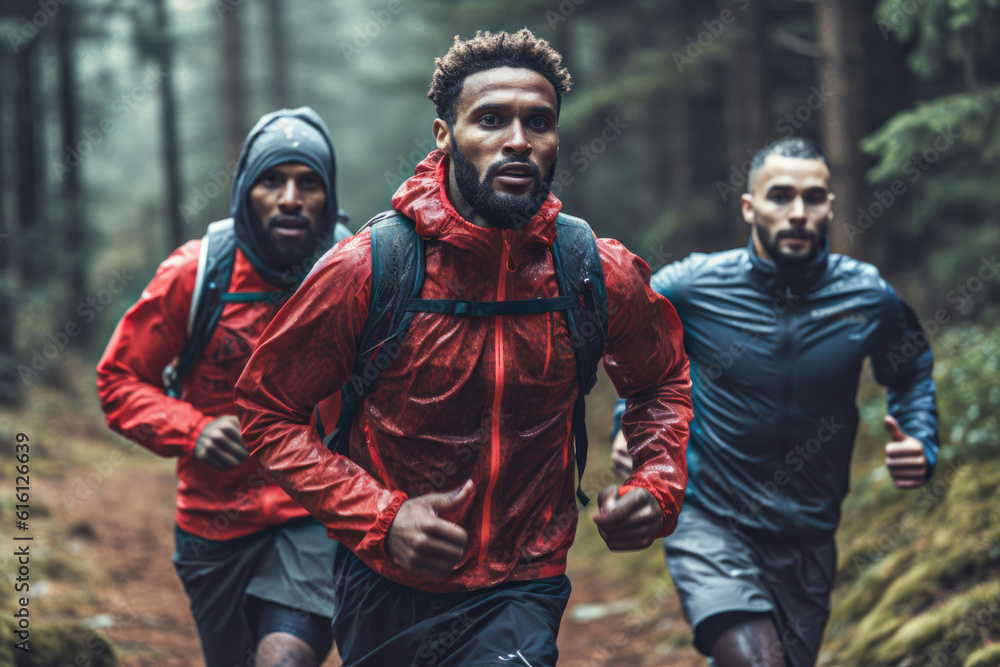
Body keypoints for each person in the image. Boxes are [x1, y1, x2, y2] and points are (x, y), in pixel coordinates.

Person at [235, 29, 691, 666]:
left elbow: (660, 380)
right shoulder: (372, 267)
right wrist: (381, 517)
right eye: (490, 120)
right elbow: (266, 411)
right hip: (386, 583)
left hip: (524, 582)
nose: (518, 141)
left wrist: (657, 482)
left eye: (539, 121)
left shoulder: (588, 268)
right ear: (444, 135)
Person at [610, 137, 939, 667]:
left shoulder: (866, 296)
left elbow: (911, 371)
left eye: (813, 198)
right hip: (711, 519)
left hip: (808, 535)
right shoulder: (691, 289)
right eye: (780, 196)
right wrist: (630, 435)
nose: (798, 213)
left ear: (830, 206)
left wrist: (922, 440)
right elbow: (641, 366)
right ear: (749, 207)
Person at [96, 107, 349, 667]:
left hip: (315, 514)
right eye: (271, 180)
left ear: (327, 195)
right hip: (213, 521)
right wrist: (194, 429)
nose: (289, 198)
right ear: (244, 192)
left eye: (308, 182)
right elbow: (117, 380)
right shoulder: (196, 273)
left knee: (284, 659)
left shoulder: (352, 272)